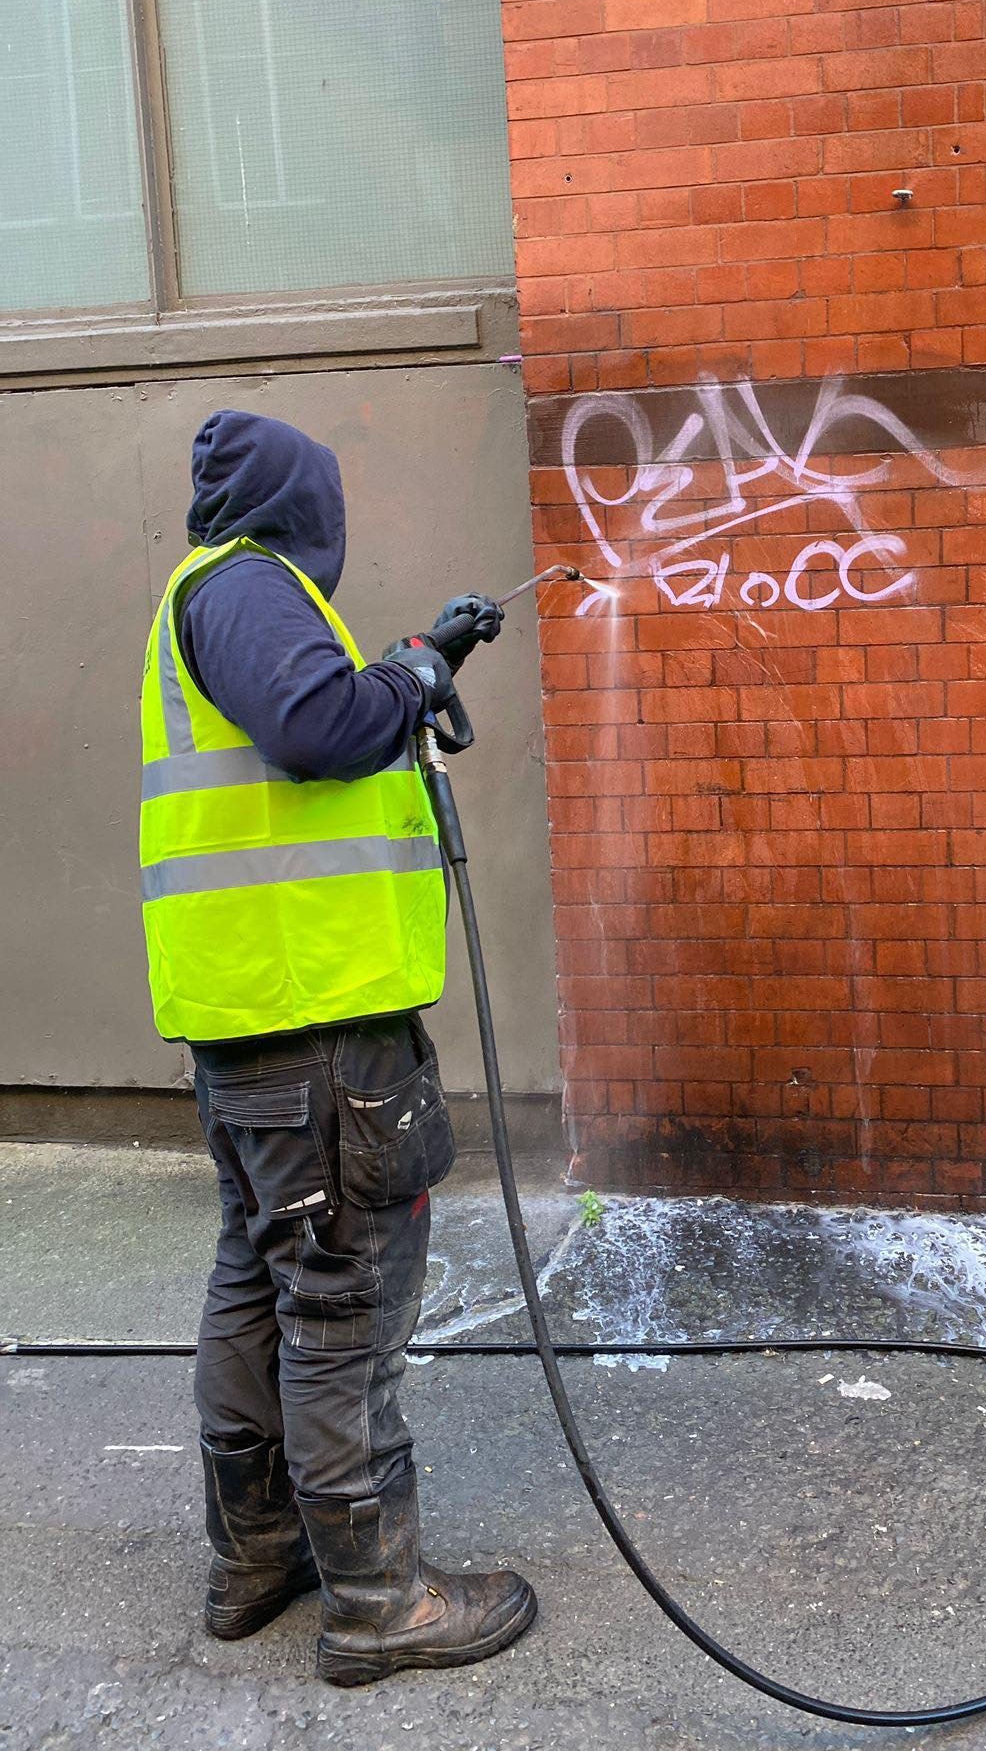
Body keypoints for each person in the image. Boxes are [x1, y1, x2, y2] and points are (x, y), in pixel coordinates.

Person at [139, 408, 536, 1687]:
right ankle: (378, 1599)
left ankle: (259, 1553)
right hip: (314, 1033)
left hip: (257, 1020)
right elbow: (317, 730)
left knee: (263, 1286)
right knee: (341, 1303)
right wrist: (412, 680)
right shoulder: (251, 585)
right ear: (302, 507)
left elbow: (312, 722)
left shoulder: (216, 597)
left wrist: (413, 662)